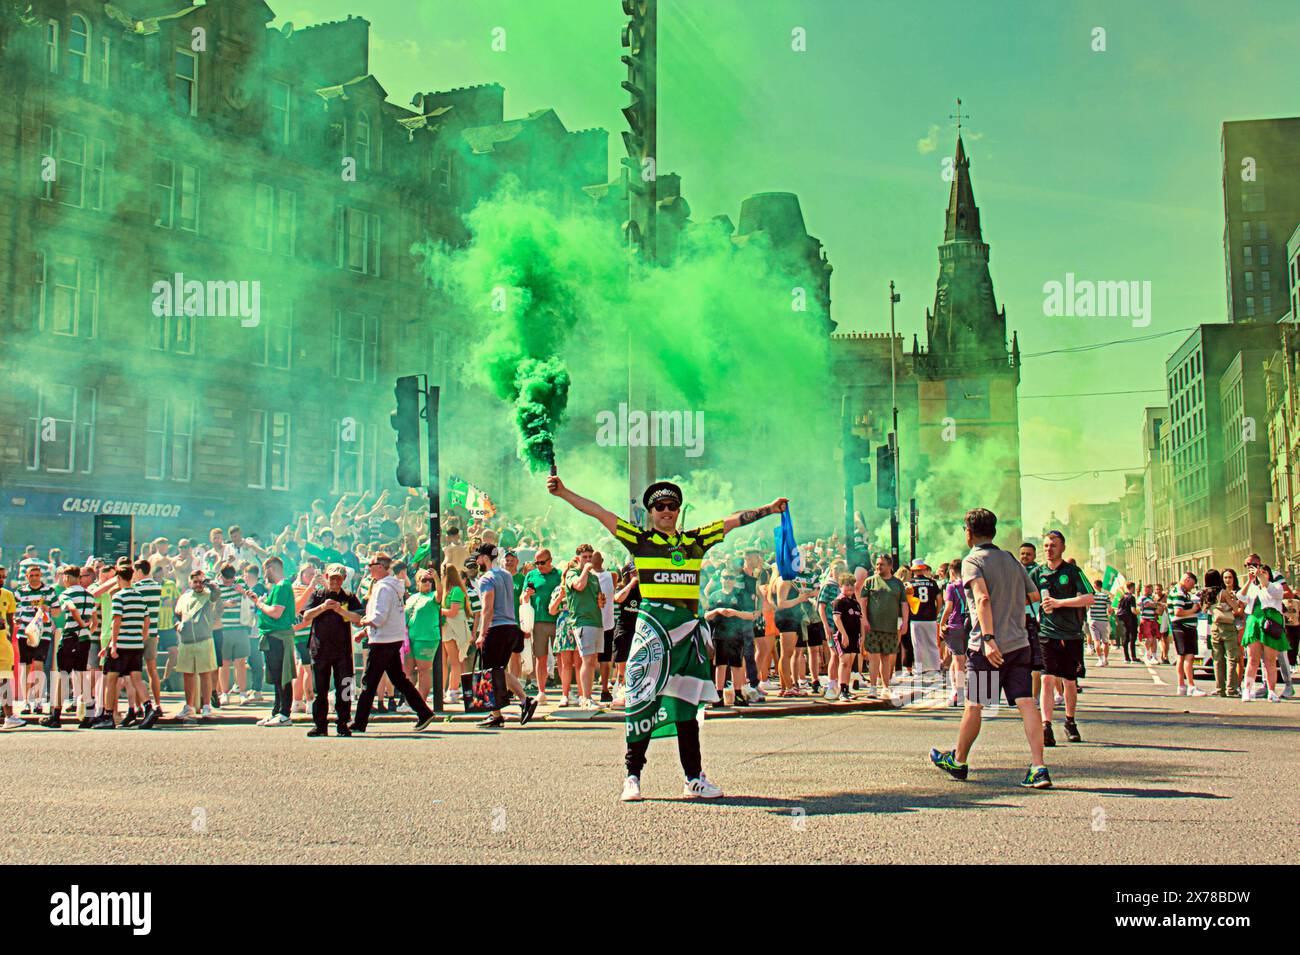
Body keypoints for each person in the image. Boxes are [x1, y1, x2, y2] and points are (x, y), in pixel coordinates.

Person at [547, 473, 787, 802]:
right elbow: (600, 513)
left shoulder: (695, 541)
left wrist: (769, 509)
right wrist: (564, 492)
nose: (666, 510)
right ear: (651, 511)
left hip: (687, 632)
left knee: (688, 707)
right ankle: (632, 776)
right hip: (652, 633)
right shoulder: (640, 540)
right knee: (642, 702)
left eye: (672, 505)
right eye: (659, 506)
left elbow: (732, 522)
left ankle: (693, 779)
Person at [930, 508, 1051, 789]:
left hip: (987, 650)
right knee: (1025, 703)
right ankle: (1039, 767)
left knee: (975, 705)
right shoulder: (1010, 559)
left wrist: (988, 638)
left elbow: (982, 599)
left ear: (970, 533)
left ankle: (959, 761)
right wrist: (1010, 608)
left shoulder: (973, 561)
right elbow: (1032, 594)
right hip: (1018, 644)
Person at [351, 553, 439, 732]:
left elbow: (380, 616)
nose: (368, 568)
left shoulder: (383, 588)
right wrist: (366, 631)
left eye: (371, 564)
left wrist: (365, 622)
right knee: (399, 679)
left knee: (369, 681)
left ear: (381, 567)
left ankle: (359, 722)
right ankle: (424, 712)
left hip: (382, 640)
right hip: (391, 638)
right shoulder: (393, 586)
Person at [1029, 531, 1093, 744]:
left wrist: (1060, 602)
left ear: (1063, 547)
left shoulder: (1073, 571)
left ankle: (1069, 721)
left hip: (1071, 635)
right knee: (1047, 679)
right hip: (1047, 633)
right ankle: (1046, 726)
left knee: (1069, 681)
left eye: (1053, 545)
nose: (1049, 549)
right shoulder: (1039, 573)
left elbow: (1089, 597)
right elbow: (1025, 594)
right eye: (1046, 545)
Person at [470, 543, 537, 728]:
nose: (477, 561)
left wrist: (481, 634)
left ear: (484, 557)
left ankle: (520, 702)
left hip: (496, 628)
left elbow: (487, 607)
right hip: (510, 626)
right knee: (497, 670)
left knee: (491, 671)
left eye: (478, 557)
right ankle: (500, 712)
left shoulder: (486, 578)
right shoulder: (506, 575)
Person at [91, 559, 156, 729]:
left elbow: (116, 622)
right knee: (136, 678)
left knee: (110, 680)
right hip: (135, 645)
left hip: (121, 644)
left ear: (119, 578)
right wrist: (139, 638)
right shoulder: (140, 598)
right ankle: (150, 708)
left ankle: (107, 715)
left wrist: (112, 645)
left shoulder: (119, 597)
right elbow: (147, 622)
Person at [301, 564, 363, 736]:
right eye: (332, 577)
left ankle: (343, 723)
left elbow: (359, 619)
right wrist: (323, 607)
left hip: (342, 650)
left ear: (343, 579)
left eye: (338, 578)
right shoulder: (318, 595)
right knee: (320, 690)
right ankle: (320, 725)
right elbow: (305, 616)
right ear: (326, 577)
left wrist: (339, 610)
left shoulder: (348, 597)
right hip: (320, 649)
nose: (335, 581)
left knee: (344, 688)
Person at [241, 556, 296, 725]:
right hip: (272, 636)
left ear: (271, 569)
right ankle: (277, 711)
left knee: (282, 675)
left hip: (279, 636)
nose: (265, 575)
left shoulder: (282, 586)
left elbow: (276, 612)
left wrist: (258, 603)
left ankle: (285, 713)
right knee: (276, 675)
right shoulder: (278, 587)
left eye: (266, 570)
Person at [174, 570, 220, 723]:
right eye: (195, 582)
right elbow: (177, 615)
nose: (198, 585)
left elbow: (216, 592)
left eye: (200, 582)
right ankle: (189, 705)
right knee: (187, 674)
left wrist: (208, 581)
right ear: (190, 583)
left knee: (205, 673)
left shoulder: (208, 596)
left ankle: (206, 705)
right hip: (187, 640)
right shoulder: (184, 597)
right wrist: (178, 624)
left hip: (204, 638)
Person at [1239, 557, 1287, 702]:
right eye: (1260, 572)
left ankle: (1271, 691)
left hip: (1271, 623)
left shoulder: (1275, 586)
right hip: (1254, 622)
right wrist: (1249, 580)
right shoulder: (1253, 587)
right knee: (1253, 659)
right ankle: (1247, 689)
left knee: (1270, 660)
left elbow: (1271, 590)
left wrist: (1261, 576)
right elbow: (1241, 596)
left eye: (1264, 572)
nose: (1260, 574)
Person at [704, 568, 754, 705]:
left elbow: (751, 615)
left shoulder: (740, 595)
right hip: (720, 634)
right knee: (720, 665)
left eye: (730, 578)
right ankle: (718, 696)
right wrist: (717, 610)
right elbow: (706, 615)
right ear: (720, 579)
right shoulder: (715, 596)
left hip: (736, 634)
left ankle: (738, 695)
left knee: (736, 665)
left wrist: (735, 612)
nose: (727, 580)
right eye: (725, 577)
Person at [562, 544, 604, 710]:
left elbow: (599, 599)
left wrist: (602, 600)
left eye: (590, 557)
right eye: (585, 557)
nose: (588, 560)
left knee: (592, 661)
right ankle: (585, 698)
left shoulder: (594, 577)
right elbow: (579, 586)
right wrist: (586, 569)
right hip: (581, 621)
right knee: (586, 659)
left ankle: (588, 696)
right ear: (578, 558)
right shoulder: (573, 573)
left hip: (596, 620)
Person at [861, 554, 907, 699]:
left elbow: (904, 604)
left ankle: (885, 687)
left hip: (891, 626)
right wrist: (865, 620)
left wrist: (905, 622)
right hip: (873, 626)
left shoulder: (898, 583)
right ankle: (873, 687)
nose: (878, 567)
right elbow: (862, 602)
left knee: (886, 657)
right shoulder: (869, 582)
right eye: (877, 564)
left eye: (882, 564)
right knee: (873, 657)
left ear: (890, 566)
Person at [13, 562, 55, 716]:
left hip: (43, 634)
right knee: (25, 667)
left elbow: (56, 611)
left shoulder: (48, 591)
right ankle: (25, 702)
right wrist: (16, 619)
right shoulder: (20, 592)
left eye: (37, 575)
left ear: (41, 576)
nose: (34, 578)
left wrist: (47, 609)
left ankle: (37, 702)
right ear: (26, 577)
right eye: (31, 576)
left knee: (38, 666)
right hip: (25, 633)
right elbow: (15, 612)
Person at [521, 550, 561, 703]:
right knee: (540, 658)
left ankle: (565, 692)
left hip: (556, 620)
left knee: (562, 658)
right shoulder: (531, 575)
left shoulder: (559, 574)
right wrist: (526, 595)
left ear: (550, 560)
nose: (539, 566)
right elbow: (522, 598)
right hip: (538, 621)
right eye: (536, 563)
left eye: (542, 563)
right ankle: (541, 691)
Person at [404, 569, 442, 706]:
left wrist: (437, 579)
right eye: (424, 580)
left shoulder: (433, 596)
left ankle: (421, 702)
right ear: (417, 582)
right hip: (409, 639)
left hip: (427, 638)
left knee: (423, 670)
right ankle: (409, 701)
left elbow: (440, 594)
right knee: (407, 672)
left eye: (429, 580)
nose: (427, 583)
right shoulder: (412, 597)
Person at [1167, 571, 1204, 696]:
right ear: (1187, 580)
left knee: (1181, 656)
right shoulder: (1179, 593)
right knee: (1189, 656)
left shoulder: (1179, 592)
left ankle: (1181, 685)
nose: (1191, 588)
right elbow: (1178, 612)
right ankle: (1191, 686)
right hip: (1184, 627)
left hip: (1180, 626)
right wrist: (1193, 610)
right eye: (1192, 585)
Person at [906, 560, 942, 685]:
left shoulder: (909, 584)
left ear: (914, 570)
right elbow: (939, 600)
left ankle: (919, 672)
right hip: (930, 618)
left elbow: (906, 602)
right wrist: (936, 613)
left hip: (915, 618)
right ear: (923, 569)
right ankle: (935, 670)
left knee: (918, 645)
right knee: (932, 643)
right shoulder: (932, 583)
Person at [939, 557, 969, 705]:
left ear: (951, 571)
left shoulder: (952, 587)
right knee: (959, 659)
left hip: (955, 624)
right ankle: (955, 690)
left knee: (958, 659)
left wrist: (941, 623)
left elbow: (948, 607)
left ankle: (959, 693)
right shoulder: (970, 584)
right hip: (970, 624)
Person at [439, 563, 470, 704]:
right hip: (447, 629)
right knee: (445, 661)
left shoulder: (456, 590)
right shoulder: (447, 590)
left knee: (455, 661)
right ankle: (443, 691)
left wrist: (438, 611)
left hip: (454, 629)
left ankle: (452, 691)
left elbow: (453, 612)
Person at [831, 574, 863, 701]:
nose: (850, 587)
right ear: (840, 586)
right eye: (847, 584)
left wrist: (862, 636)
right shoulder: (839, 601)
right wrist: (843, 634)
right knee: (844, 662)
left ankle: (847, 689)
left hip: (855, 636)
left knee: (850, 663)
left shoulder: (855, 603)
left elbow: (860, 621)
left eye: (852, 584)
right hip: (843, 636)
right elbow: (836, 618)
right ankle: (842, 690)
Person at [592, 551, 617, 703]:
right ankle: (586, 692)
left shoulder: (611, 575)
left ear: (602, 560)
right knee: (589, 657)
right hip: (591, 621)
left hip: (607, 622)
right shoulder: (587, 575)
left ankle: (605, 689)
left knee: (605, 658)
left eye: (597, 559)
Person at [0, 566, 18, 728]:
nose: (2, 580)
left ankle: (9, 717)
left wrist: (9, 638)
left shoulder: (8, 595)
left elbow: (10, 620)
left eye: (3, 577)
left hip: (3, 646)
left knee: (4, 681)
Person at [1087, 581, 1112, 666]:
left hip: (1093, 620)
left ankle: (1100, 659)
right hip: (1104, 620)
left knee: (1096, 641)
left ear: (1094, 586)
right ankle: (1105, 659)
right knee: (1105, 641)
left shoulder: (1091, 596)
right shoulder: (1106, 596)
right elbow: (1109, 610)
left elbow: (1087, 608)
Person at [1115, 582, 1137, 665]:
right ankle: (1133, 657)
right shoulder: (1131, 597)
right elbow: (1133, 610)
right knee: (1132, 638)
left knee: (1125, 638)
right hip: (1130, 619)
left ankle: (1126, 657)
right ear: (1131, 587)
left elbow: (1118, 608)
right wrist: (1139, 612)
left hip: (1121, 619)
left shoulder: (1122, 597)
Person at [1137, 583, 1159, 664]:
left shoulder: (1151, 598)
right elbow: (1146, 604)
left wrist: (1155, 604)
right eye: (1149, 589)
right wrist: (1156, 604)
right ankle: (1147, 654)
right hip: (1146, 620)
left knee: (1154, 639)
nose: (1151, 590)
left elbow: (1153, 605)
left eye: (1151, 589)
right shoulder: (1142, 598)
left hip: (1153, 620)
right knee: (1149, 638)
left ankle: (1154, 656)